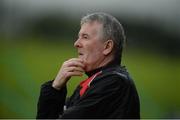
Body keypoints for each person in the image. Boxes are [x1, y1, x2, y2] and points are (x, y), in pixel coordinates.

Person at [36, 12, 140, 119]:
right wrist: (55, 87)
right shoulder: (98, 80)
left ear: (107, 47)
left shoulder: (113, 83)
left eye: (85, 37)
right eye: (78, 37)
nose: (76, 43)